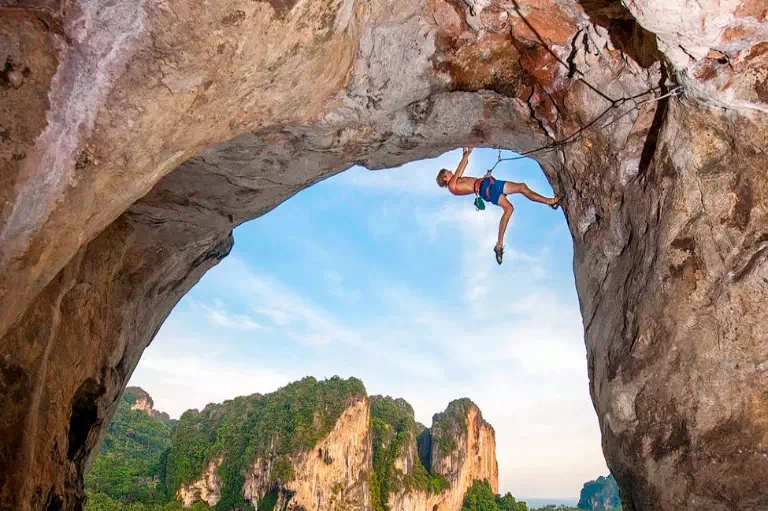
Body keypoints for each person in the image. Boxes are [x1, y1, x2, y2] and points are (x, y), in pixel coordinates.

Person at [436, 147, 564, 265]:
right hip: (486, 189)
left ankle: (551, 202)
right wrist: (467, 152)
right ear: (445, 178)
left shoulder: (457, 180)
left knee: (522, 187)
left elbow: (465, 163)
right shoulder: (452, 187)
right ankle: (499, 245)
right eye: (448, 172)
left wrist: (467, 152)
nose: (451, 172)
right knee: (509, 209)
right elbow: (461, 166)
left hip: (489, 182)